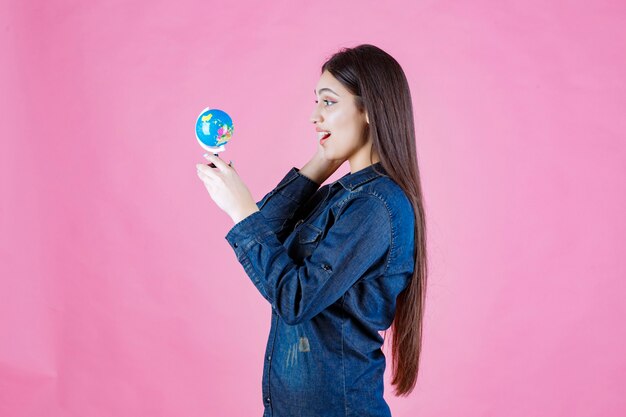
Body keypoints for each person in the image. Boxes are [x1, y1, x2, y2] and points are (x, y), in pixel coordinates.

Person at [196, 44, 428, 417]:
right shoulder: (341, 194)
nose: (314, 116)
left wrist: (241, 208)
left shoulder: (376, 206)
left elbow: (295, 299)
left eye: (329, 102)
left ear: (369, 110)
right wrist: (323, 161)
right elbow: (267, 228)